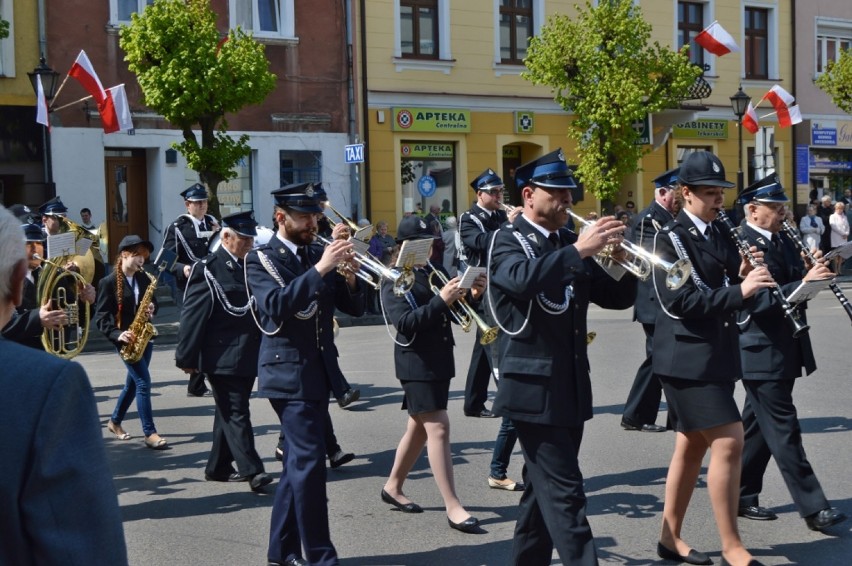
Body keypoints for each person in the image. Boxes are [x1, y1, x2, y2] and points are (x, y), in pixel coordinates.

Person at [488, 149, 636, 565]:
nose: (568, 200)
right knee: (568, 496)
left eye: (570, 192)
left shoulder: (570, 242)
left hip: (569, 385)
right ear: (530, 195)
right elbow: (519, 280)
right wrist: (580, 252)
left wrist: (620, 263)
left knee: (541, 498)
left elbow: (615, 298)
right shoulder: (508, 239)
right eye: (558, 193)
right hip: (532, 389)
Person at [652, 151, 776, 566]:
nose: (719, 201)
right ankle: (732, 546)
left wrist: (743, 273)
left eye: (721, 193)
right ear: (685, 193)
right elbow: (681, 301)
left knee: (690, 449)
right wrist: (740, 291)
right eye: (709, 193)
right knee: (729, 439)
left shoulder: (719, 231)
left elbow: (721, 282)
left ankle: (670, 539)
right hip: (686, 358)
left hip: (718, 354)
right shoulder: (669, 237)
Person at [0, 205, 128, 565]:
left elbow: (71, 310)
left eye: (40, 246)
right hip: (27, 367)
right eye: (32, 247)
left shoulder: (53, 273)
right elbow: (80, 535)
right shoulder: (51, 385)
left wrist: (86, 299)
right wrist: (35, 319)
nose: (38, 252)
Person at [246, 182, 366, 566]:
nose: (313, 222)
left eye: (315, 214)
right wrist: (323, 267)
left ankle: (281, 551)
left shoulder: (319, 251)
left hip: (319, 371)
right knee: (310, 465)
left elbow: (353, 307)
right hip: (285, 372)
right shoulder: (261, 258)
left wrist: (349, 275)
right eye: (304, 216)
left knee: (297, 465)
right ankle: (320, 557)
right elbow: (277, 305)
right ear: (281, 217)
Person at [733, 175, 847, 533]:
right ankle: (814, 508)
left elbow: (796, 284)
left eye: (782, 205)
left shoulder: (780, 239)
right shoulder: (743, 242)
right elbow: (760, 300)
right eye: (775, 206)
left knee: (757, 428)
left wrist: (820, 268)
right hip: (759, 348)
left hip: (784, 346)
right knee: (784, 429)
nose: (783, 212)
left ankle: (741, 493)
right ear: (753, 210)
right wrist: (803, 281)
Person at [380, 214, 485, 534]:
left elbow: (453, 315)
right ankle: (453, 506)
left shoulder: (432, 272)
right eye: (420, 245)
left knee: (419, 429)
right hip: (415, 363)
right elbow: (406, 323)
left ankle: (393, 486)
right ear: (402, 247)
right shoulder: (392, 277)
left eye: (430, 244)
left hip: (439, 360)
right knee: (438, 427)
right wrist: (441, 300)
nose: (428, 250)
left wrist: (471, 296)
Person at [175, 210, 272, 491]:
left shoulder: (251, 265)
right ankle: (252, 470)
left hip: (249, 354)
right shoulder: (208, 268)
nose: (249, 244)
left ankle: (217, 466)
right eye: (244, 239)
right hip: (221, 356)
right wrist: (187, 357)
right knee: (236, 411)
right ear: (226, 237)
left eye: (251, 239)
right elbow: (192, 316)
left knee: (227, 412)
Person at [620, 168, 681, 433]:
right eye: (677, 193)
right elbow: (656, 260)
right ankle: (636, 415)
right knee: (658, 359)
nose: (681, 198)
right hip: (652, 300)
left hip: (664, 299)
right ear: (663, 193)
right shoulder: (649, 219)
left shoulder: (670, 216)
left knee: (662, 359)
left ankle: (648, 415)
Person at [96, 234, 168, 450]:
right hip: (126, 339)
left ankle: (114, 421)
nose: (142, 260)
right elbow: (101, 317)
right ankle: (150, 432)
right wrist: (118, 334)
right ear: (125, 254)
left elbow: (152, 300)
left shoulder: (143, 278)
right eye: (138, 256)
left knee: (132, 384)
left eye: (144, 256)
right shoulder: (108, 282)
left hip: (143, 336)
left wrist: (152, 308)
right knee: (143, 383)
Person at [458, 168, 508, 418]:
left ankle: (473, 403)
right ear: (480, 194)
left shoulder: (501, 215)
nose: (499, 195)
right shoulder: (469, 218)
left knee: (483, 347)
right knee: (494, 344)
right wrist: (510, 228)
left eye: (500, 190)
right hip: (479, 286)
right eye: (494, 191)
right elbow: (479, 242)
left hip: (498, 284)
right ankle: (509, 399)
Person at [161, 183, 220, 396]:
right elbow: (164, 260)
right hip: (187, 286)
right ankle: (196, 383)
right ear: (188, 205)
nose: (203, 206)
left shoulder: (213, 223)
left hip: (212, 283)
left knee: (211, 331)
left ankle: (201, 382)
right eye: (198, 203)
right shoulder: (177, 227)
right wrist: (181, 268)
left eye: (204, 202)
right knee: (196, 331)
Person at [1, 222, 68, 350]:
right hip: (20, 356)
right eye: (28, 244)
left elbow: (71, 314)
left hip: (52, 355)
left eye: (39, 243)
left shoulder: (53, 276)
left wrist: (85, 301)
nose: (35, 249)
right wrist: (37, 318)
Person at [828, 201, 849, 274]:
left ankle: (839, 269)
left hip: (843, 238)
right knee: (836, 254)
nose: (840, 210)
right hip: (836, 237)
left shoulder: (844, 216)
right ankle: (835, 270)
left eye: (842, 208)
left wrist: (847, 233)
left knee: (841, 254)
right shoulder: (832, 216)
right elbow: (833, 226)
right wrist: (843, 233)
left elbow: (847, 226)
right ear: (835, 208)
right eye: (838, 208)